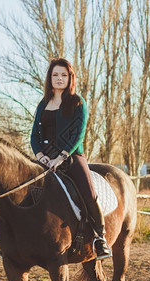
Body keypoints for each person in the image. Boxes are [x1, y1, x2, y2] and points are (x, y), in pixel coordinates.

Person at [30, 58, 112, 260]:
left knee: (88, 191)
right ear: (50, 78)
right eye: (55, 75)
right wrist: (41, 156)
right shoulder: (43, 104)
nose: (59, 78)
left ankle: (99, 238)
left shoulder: (78, 102)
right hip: (45, 159)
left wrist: (61, 157)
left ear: (70, 78)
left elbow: (78, 135)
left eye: (63, 75)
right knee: (27, 191)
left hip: (72, 156)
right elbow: (34, 136)